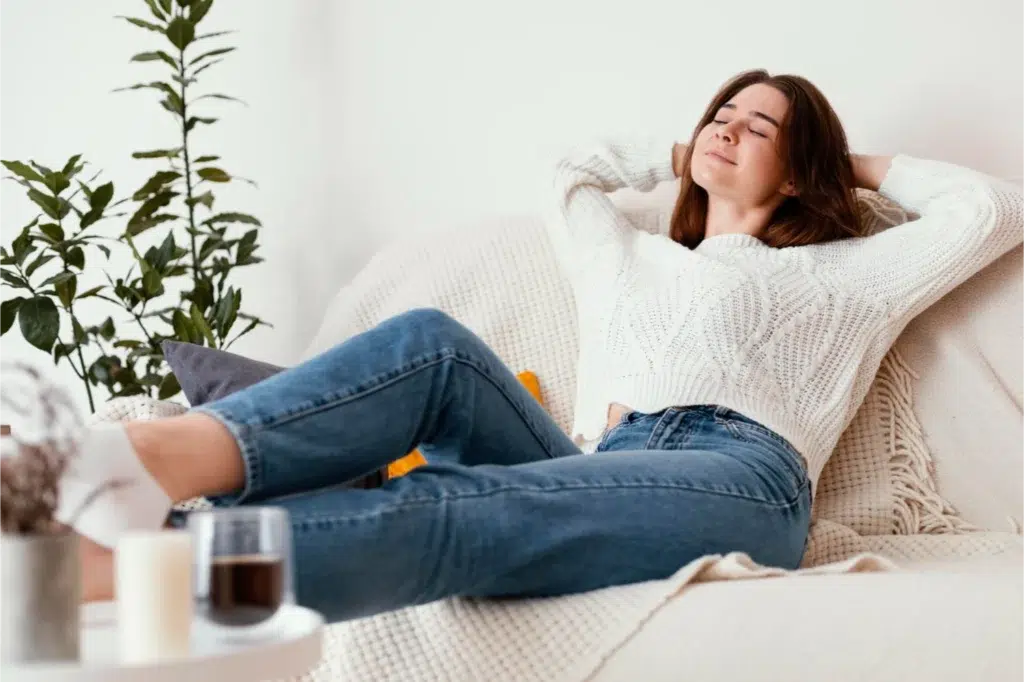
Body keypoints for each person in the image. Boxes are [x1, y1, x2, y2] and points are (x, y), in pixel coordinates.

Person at [60, 69, 1024, 623]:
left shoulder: (845, 276)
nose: (727, 129)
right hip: (602, 464)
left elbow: (993, 208)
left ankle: (129, 568)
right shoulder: (633, 258)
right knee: (432, 346)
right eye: (719, 115)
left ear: (800, 161)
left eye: (760, 125)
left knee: (451, 507)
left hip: (740, 481)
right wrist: (679, 154)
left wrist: (839, 160)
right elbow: (570, 174)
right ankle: (142, 461)